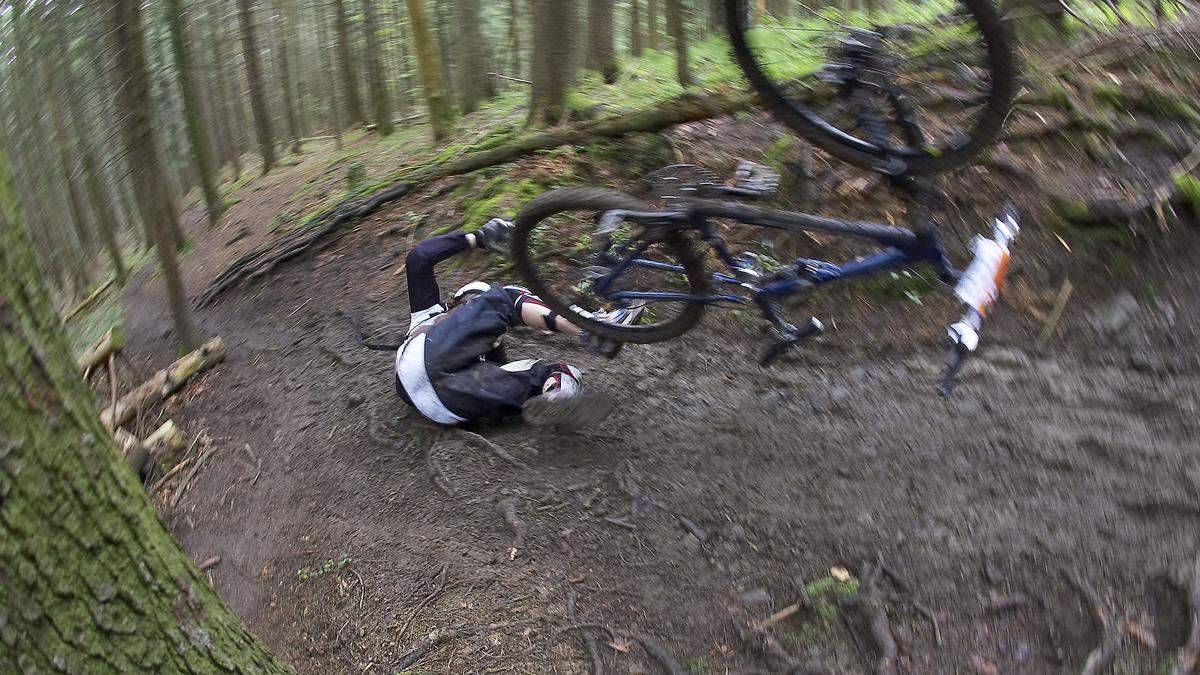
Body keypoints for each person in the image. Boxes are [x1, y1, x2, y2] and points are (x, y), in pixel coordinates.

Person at [395, 218, 639, 427]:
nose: (474, 306)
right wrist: (477, 238)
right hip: (425, 364)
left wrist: (478, 237)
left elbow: (420, 258)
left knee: (560, 373)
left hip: (443, 408)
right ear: (455, 305)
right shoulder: (429, 314)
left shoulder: (437, 323)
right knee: (509, 297)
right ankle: (592, 329)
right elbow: (419, 259)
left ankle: (559, 396)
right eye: (471, 302)